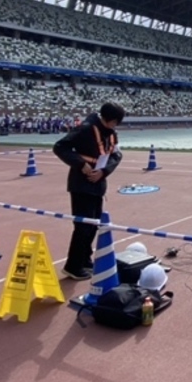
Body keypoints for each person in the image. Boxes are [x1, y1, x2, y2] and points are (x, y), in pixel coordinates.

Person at [53, 102, 125, 280]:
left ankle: (85, 260)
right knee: (82, 226)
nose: (116, 126)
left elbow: (116, 154)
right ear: (111, 119)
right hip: (81, 184)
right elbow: (60, 147)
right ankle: (72, 266)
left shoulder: (111, 133)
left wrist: (104, 171)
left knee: (93, 226)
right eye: (116, 122)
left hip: (98, 184)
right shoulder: (85, 129)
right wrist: (81, 165)